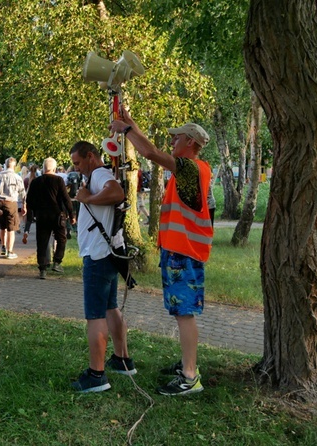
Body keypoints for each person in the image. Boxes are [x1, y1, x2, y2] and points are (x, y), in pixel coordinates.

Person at [110, 111, 213, 396]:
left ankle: (190, 376)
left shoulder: (191, 168)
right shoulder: (189, 168)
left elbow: (150, 152)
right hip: (179, 252)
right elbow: (151, 148)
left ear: (191, 142)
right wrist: (130, 121)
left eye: (177, 137)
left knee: (185, 313)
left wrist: (126, 128)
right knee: (182, 311)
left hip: (185, 253)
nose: (172, 141)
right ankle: (187, 364)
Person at [68, 141, 136, 393]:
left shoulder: (98, 174)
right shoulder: (99, 174)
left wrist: (88, 198)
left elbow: (117, 193)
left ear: (90, 157)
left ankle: (96, 375)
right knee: (110, 308)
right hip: (106, 254)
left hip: (97, 256)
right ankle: (122, 359)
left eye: (77, 162)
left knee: (95, 316)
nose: (76, 168)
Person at [25, 157, 74, 279]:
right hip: (57, 215)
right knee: (61, 238)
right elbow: (65, 198)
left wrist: (33, 213)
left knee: (42, 242)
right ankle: (57, 262)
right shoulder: (58, 180)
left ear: (43, 167)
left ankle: (42, 269)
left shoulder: (36, 182)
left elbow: (29, 200)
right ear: (54, 168)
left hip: (41, 216)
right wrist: (71, 214)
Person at [0, 157, 26, 259]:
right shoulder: (17, 177)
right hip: (11, 203)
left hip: (0, 202)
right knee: (11, 228)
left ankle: (3, 246)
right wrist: (24, 205)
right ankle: (10, 251)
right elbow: (22, 193)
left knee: (2, 226)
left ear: (6, 164)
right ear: (14, 165)